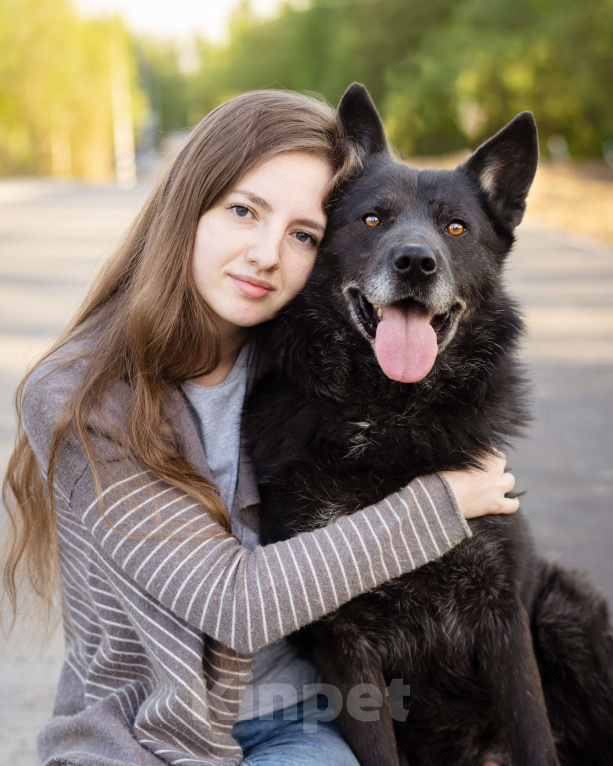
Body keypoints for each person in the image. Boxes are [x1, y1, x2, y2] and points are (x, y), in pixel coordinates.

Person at [1, 89, 519, 766]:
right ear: (187, 207)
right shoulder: (79, 394)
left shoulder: (313, 355)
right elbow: (233, 602)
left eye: (302, 234)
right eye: (243, 211)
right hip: (136, 735)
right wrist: (445, 503)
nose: (266, 254)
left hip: (300, 720)